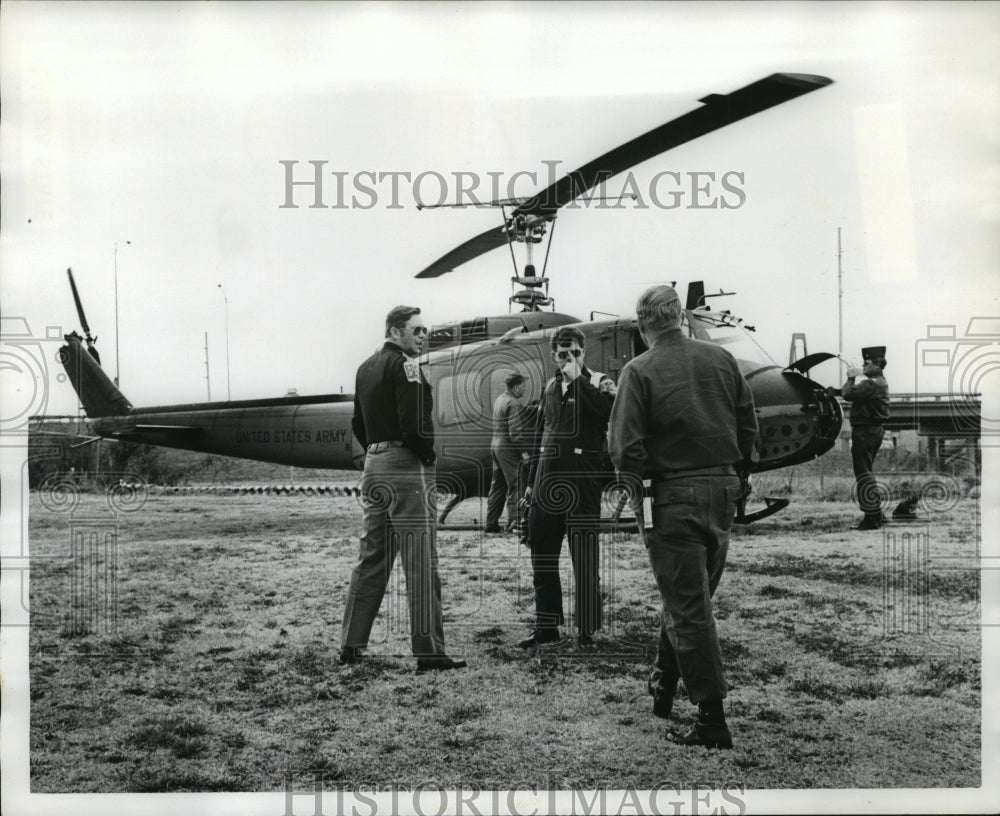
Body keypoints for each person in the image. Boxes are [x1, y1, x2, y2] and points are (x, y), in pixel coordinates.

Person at [608, 285, 758, 750]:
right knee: (688, 596)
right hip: (723, 492)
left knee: (689, 606)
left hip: (670, 497)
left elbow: (624, 447)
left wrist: (635, 497)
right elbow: (748, 423)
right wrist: (739, 477)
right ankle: (663, 684)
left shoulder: (638, 370)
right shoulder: (722, 360)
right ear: (679, 317)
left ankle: (712, 719)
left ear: (643, 323)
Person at [340, 305, 466, 672]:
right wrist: (426, 455)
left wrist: (376, 452)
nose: (423, 335)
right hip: (405, 465)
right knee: (421, 560)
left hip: (374, 464)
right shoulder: (407, 367)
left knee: (371, 557)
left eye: (424, 330)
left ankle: (351, 644)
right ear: (395, 332)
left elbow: (358, 423)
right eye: (416, 330)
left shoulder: (365, 368)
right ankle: (429, 652)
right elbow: (413, 423)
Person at [517, 325, 615, 648]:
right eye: (562, 353)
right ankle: (547, 625)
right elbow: (541, 434)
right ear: (554, 355)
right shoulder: (548, 388)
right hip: (547, 479)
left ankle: (586, 629)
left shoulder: (599, 382)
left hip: (582, 481)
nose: (568, 357)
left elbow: (606, 413)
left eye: (574, 351)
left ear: (583, 352)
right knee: (542, 555)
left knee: (584, 556)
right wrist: (530, 485)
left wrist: (577, 380)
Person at [842, 346, 889, 530]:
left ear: (877, 364)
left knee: (863, 473)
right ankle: (876, 514)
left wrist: (850, 377)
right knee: (867, 471)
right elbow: (856, 394)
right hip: (873, 431)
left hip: (865, 432)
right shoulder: (876, 382)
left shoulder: (871, 383)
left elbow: (849, 394)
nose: (863, 366)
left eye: (866, 363)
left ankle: (872, 517)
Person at [485, 372, 532, 533]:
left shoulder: (500, 399)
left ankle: (491, 523)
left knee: (497, 485)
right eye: (523, 386)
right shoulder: (514, 403)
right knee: (517, 484)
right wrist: (524, 453)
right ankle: (515, 522)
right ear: (516, 387)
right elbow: (516, 434)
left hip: (495, 445)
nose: (525, 389)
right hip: (508, 447)